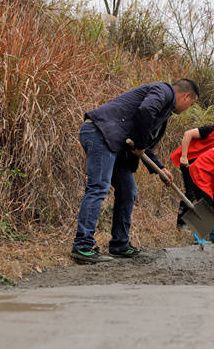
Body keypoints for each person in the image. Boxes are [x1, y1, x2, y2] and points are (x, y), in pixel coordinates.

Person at [71, 79, 199, 263]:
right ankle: (82, 246)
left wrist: (161, 168)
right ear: (186, 96)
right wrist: (139, 143)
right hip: (100, 133)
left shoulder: (164, 115)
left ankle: (119, 245)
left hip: (115, 143)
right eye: (190, 104)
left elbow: (144, 146)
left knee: (128, 189)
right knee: (99, 186)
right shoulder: (164, 91)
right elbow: (146, 111)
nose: (187, 108)